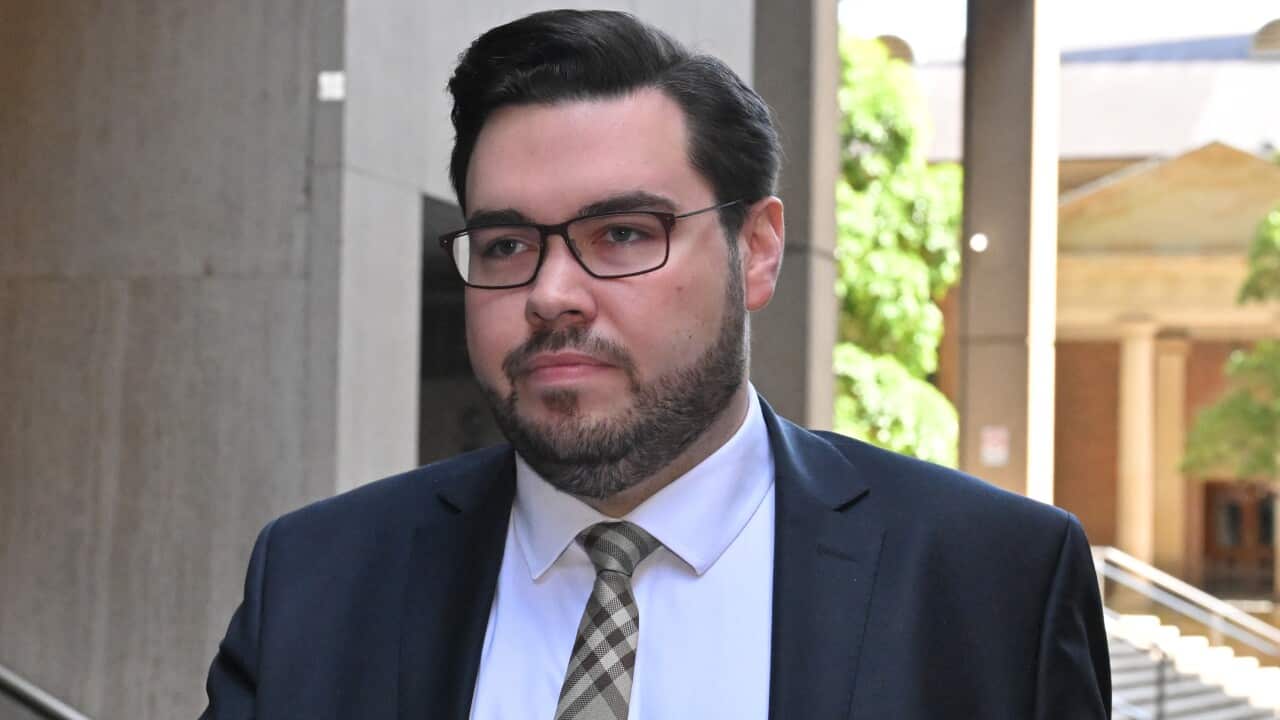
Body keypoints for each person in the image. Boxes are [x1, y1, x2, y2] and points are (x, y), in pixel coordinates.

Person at [201, 9, 1110, 719]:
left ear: (756, 250)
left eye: (623, 233)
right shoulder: (318, 579)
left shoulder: (992, 582)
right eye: (509, 242)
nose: (552, 292)